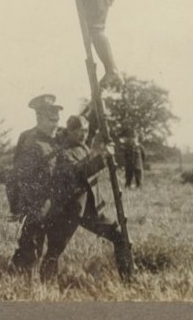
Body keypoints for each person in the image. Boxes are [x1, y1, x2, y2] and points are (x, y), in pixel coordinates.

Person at [38, 115, 131, 281]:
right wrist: (102, 157)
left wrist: (105, 155)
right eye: (80, 131)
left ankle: (128, 278)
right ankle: (45, 286)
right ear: (70, 131)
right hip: (67, 210)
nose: (84, 135)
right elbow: (78, 172)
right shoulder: (63, 151)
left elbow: (88, 164)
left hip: (89, 210)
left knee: (120, 237)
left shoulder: (83, 148)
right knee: (55, 249)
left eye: (86, 131)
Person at [9, 94, 64, 273]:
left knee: (54, 241)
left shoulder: (59, 135)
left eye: (56, 119)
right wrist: (21, 204)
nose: (55, 124)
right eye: (50, 120)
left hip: (55, 198)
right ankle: (18, 275)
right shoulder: (28, 138)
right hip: (36, 199)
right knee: (32, 241)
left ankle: (45, 275)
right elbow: (19, 174)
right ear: (38, 117)